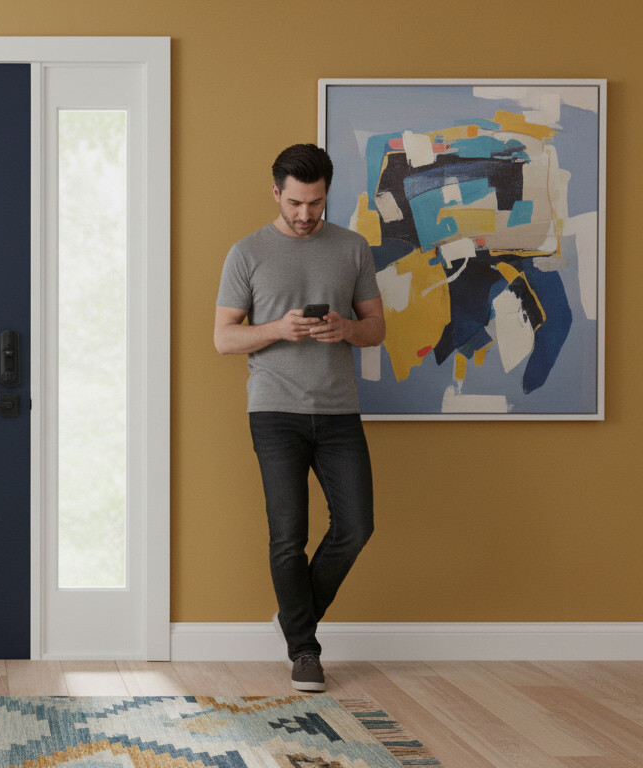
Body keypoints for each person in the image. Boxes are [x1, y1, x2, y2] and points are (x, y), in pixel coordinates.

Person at [213, 143, 385, 692]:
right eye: (294, 203)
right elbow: (223, 338)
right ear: (276, 193)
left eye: (315, 203)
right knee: (288, 534)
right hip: (274, 411)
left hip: (338, 412)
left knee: (356, 526)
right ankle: (304, 650)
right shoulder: (247, 252)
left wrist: (346, 331)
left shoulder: (353, 248)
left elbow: (376, 328)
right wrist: (276, 330)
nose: (305, 214)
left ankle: (293, 614)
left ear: (327, 192)